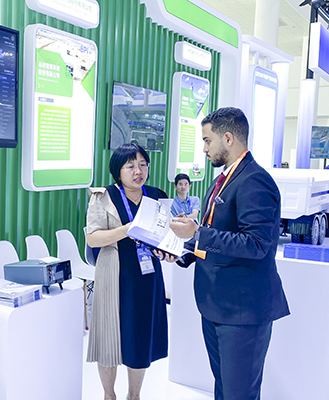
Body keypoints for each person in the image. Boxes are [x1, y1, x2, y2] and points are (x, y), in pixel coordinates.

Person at [168, 107, 290, 400]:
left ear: (228, 138)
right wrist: (180, 251)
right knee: (224, 388)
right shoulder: (221, 180)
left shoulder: (255, 181)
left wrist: (198, 234)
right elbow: (216, 231)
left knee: (239, 393)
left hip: (242, 310)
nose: (204, 149)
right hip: (216, 305)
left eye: (207, 141)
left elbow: (256, 244)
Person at [86, 143, 168, 400]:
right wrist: (126, 229)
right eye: (130, 166)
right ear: (117, 170)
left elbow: (163, 234)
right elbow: (92, 238)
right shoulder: (103, 196)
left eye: (143, 164)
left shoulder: (156, 195)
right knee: (108, 337)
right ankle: (109, 395)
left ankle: (134, 395)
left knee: (140, 337)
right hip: (114, 274)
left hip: (146, 275)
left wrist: (167, 250)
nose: (138, 171)